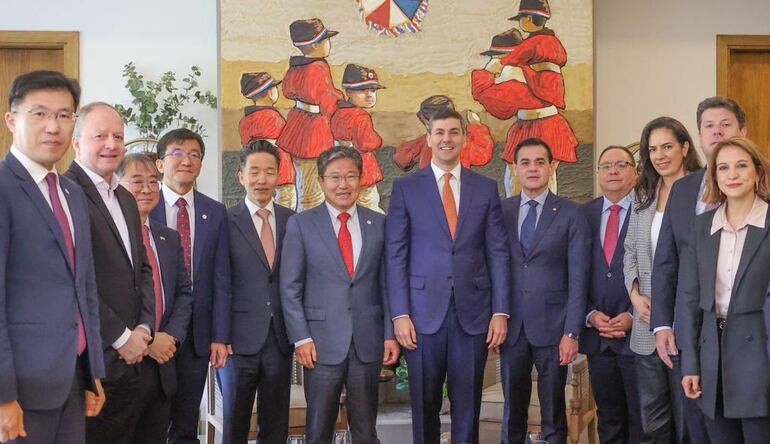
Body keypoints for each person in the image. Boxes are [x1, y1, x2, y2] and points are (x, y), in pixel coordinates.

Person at [386, 108, 510, 444]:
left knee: (467, 405)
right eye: (439, 132)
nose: (446, 139)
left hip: (474, 315)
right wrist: (400, 314)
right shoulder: (406, 189)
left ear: (464, 139)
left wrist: (500, 311)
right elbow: (395, 255)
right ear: (429, 138)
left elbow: (497, 252)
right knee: (424, 405)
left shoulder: (485, 188)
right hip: (421, 316)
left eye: (454, 132)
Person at [0, 70, 105, 443]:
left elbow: (84, 287)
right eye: (40, 114)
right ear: (12, 120)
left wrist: (92, 371)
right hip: (20, 390)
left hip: (72, 381)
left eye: (64, 115)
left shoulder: (71, 193)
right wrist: (3, 395)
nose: (53, 126)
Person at [281, 146, 399, 444]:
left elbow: (387, 286)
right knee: (318, 428)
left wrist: (389, 334)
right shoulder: (301, 224)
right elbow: (290, 287)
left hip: (367, 342)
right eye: (335, 177)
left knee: (365, 429)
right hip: (319, 344)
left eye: (350, 176)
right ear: (320, 181)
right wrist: (302, 338)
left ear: (361, 180)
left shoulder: (379, 224)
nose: (343, 185)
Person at [652, 97, 746, 444]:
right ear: (700, 136)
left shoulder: (760, 190)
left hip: (745, 333)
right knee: (696, 425)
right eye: (709, 126)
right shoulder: (682, 189)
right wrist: (663, 323)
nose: (717, 132)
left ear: (742, 132)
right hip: (689, 332)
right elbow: (666, 262)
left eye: (726, 125)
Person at [65, 102, 156, 443]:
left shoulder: (126, 197)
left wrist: (144, 328)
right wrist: (121, 337)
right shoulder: (66, 193)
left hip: (136, 359)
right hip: (95, 364)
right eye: (100, 135)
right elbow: (74, 281)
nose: (111, 144)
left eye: (118, 136)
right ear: (77, 143)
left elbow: (142, 270)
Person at [679, 137, 770, 444]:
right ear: (715, 177)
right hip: (711, 357)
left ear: (757, 172)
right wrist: (690, 363)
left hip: (760, 355)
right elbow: (688, 298)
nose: (732, 174)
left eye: (741, 166)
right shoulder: (702, 226)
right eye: (723, 168)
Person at [499, 138, 590, 444]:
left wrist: (572, 332)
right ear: (515, 169)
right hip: (511, 328)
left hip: (554, 329)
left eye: (540, 162)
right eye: (525, 162)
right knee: (513, 411)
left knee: (553, 411)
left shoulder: (570, 213)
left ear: (552, 167)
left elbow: (579, 278)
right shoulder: (502, 211)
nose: (532, 168)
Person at [149, 128, 231, 444]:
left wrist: (220, 336)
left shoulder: (215, 211)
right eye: (178, 153)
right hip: (153, 333)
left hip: (197, 336)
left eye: (194, 155)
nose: (187, 161)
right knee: (152, 423)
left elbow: (222, 278)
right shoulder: (141, 206)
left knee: (184, 425)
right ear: (160, 163)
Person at [623, 117, 701, 443]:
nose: (660, 155)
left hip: (686, 322)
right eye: (652, 149)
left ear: (685, 148)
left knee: (688, 420)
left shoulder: (704, 191)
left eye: (667, 146)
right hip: (645, 322)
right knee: (653, 422)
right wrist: (635, 295)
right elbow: (629, 252)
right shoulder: (643, 195)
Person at [219, 140, 294, 444]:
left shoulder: (293, 221)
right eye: (254, 172)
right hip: (237, 341)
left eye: (269, 172)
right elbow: (220, 284)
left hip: (279, 338)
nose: (262, 179)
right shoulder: (225, 221)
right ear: (241, 176)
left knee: (276, 426)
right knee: (235, 424)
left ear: (279, 176)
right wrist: (221, 337)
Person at [116, 154, 194, 443]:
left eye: (153, 182)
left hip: (163, 365)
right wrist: (146, 341)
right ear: (117, 185)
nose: (147, 189)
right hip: (122, 365)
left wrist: (170, 336)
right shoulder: (109, 237)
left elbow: (184, 293)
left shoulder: (168, 238)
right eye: (137, 182)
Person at [580, 145, 642, 444]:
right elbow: (573, 273)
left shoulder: (650, 212)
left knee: (641, 419)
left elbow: (663, 271)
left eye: (621, 164)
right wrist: (589, 314)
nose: (613, 171)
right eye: (606, 166)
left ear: (635, 171)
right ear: (598, 174)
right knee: (609, 418)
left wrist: (634, 315)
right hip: (598, 337)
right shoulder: (583, 215)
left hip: (638, 336)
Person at [471, 28, 577, 197]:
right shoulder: (531, 72)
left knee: (526, 182)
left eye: (496, 56)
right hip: (532, 126)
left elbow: (499, 106)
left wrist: (487, 75)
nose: (494, 60)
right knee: (529, 181)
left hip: (544, 129)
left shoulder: (518, 74)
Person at [501, 0, 579, 195]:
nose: (521, 22)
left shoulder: (537, 43)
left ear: (528, 19)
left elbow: (509, 61)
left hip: (538, 122)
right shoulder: (553, 43)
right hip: (543, 120)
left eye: (522, 19)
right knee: (545, 177)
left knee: (519, 179)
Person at [277, 18, 343, 212]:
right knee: (312, 190)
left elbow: (288, 91)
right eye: (325, 40)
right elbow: (327, 99)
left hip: (297, 126)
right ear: (315, 44)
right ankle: (308, 224)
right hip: (315, 131)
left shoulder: (295, 67)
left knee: (303, 182)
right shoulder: (319, 67)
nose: (328, 44)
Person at [330, 63, 386, 213]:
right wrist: (378, 140)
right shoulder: (361, 116)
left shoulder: (338, 112)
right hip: (361, 166)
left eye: (373, 91)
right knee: (370, 204)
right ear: (348, 91)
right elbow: (367, 143)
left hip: (340, 164)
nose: (369, 95)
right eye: (362, 90)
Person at [238, 71, 297, 210]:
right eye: (274, 88)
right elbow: (289, 143)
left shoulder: (245, 121)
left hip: (259, 180)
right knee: (286, 212)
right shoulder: (273, 117)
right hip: (283, 175)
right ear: (270, 92)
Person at [392, 95, 494, 172]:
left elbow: (401, 158)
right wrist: (476, 125)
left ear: (427, 124)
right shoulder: (461, 142)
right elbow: (483, 154)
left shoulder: (426, 141)